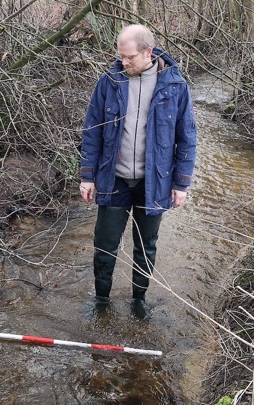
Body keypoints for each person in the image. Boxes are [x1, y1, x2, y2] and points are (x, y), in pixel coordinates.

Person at [79, 24, 198, 317]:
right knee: (104, 245)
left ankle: (138, 301)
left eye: (129, 57)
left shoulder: (175, 86)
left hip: (154, 183)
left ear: (148, 52)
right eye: (120, 56)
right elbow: (91, 131)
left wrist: (181, 184)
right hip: (113, 178)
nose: (123, 62)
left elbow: (188, 137)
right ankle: (102, 300)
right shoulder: (109, 81)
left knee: (146, 248)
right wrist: (87, 175)